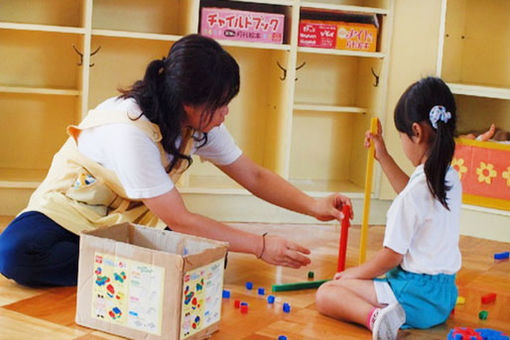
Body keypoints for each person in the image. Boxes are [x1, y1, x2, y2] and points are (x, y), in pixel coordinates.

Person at [0, 34, 351, 287]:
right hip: (69, 210)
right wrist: (260, 246)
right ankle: (131, 263)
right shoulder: (131, 128)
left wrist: (313, 205)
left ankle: (120, 260)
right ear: (188, 102)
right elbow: (179, 219)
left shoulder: (199, 124)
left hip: (134, 219)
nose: (226, 113)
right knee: (14, 254)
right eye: (221, 104)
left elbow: (254, 176)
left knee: (211, 256)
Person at [315, 77, 461, 340]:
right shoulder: (449, 178)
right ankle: (389, 312)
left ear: (416, 132)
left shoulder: (415, 194)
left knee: (327, 293)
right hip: (444, 296)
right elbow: (413, 196)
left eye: (401, 136)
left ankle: (376, 319)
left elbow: (390, 257)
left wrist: (351, 275)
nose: (402, 142)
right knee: (348, 287)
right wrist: (383, 156)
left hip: (412, 296)